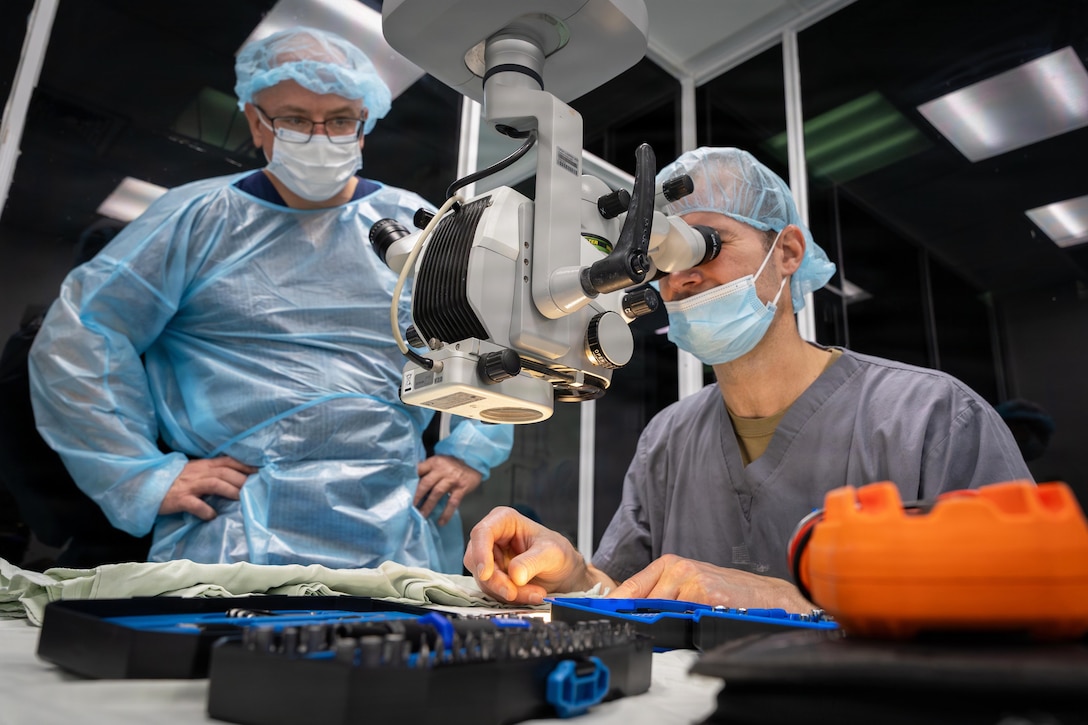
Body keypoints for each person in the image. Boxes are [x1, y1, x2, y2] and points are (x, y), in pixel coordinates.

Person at [27, 27, 512, 573]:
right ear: (256, 121)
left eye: (340, 120)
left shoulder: (412, 229)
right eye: (295, 120)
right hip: (234, 527)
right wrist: (139, 475)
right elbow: (84, 334)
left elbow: (490, 340)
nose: (320, 135)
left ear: (364, 126)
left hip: (395, 528)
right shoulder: (197, 220)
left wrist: (470, 447)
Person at [463, 147, 1031, 610]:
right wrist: (573, 573)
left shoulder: (930, 417)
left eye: (707, 244)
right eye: (664, 257)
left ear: (786, 253)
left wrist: (797, 601)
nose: (681, 274)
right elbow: (628, 594)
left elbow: (1022, 605)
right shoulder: (668, 437)